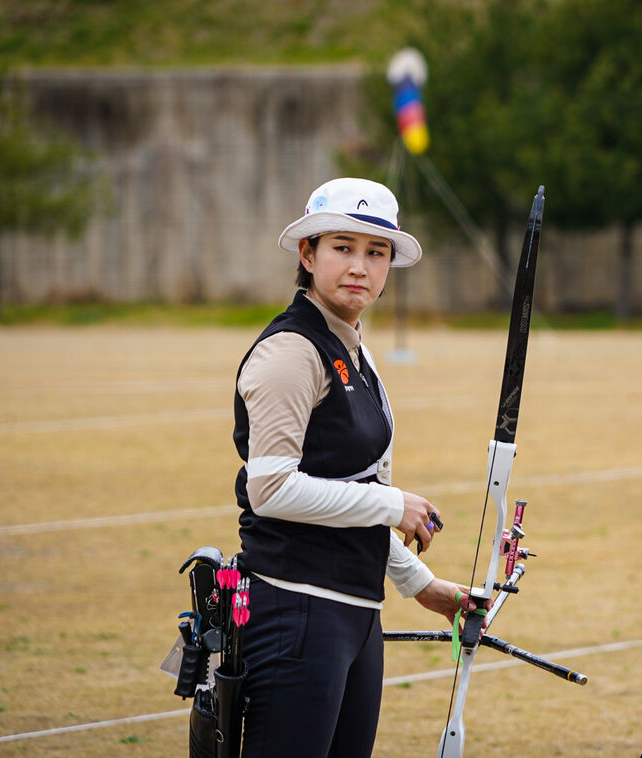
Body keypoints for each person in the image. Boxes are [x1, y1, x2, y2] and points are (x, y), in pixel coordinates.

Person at [232, 177, 475, 758]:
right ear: (308, 254)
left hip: (355, 614)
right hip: (295, 610)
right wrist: (393, 505)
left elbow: (352, 492)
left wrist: (421, 585)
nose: (360, 267)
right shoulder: (292, 350)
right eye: (342, 247)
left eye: (376, 252)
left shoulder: (353, 347)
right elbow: (270, 490)